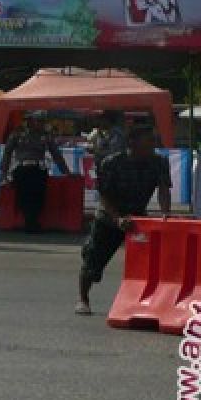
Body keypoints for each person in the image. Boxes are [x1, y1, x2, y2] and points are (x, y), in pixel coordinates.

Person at [76, 127, 172, 316]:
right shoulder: (112, 163)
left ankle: (144, 303)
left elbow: (163, 189)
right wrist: (117, 218)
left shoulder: (159, 162)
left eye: (153, 142)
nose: (152, 147)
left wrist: (165, 214)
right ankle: (83, 299)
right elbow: (104, 196)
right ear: (132, 144)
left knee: (148, 265)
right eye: (148, 142)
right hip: (109, 217)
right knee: (93, 262)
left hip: (137, 218)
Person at [0, 113, 70, 232]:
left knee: (38, 197)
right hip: (22, 169)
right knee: (23, 196)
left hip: (38, 169)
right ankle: (28, 221)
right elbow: (7, 153)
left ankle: (33, 221)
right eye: (38, 121)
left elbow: (56, 154)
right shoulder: (17, 133)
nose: (41, 124)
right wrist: (4, 173)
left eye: (42, 122)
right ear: (30, 121)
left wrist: (66, 171)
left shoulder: (45, 135)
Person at [88, 111, 127, 176]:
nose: (100, 123)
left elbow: (114, 151)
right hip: (105, 167)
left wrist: (97, 152)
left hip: (114, 168)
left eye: (102, 120)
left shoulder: (116, 133)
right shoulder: (106, 132)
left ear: (108, 121)